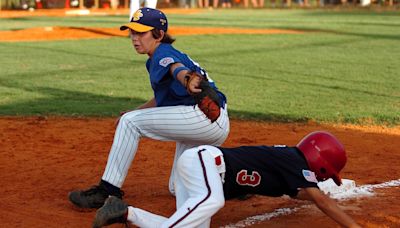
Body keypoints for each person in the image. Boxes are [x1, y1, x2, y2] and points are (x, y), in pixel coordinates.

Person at [68, 7, 230, 209]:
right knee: (178, 186)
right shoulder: (155, 58)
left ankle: (108, 190)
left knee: (130, 124)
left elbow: (175, 68)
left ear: (159, 34)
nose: (135, 38)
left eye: (141, 32)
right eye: (132, 32)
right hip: (208, 120)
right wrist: (136, 111)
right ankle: (232, 184)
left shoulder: (163, 51)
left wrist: (186, 78)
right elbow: (161, 98)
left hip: (203, 116)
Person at [92, 131, 361, 228]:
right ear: (321, 164)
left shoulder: (290, 167)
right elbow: (320, 201)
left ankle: (125, 213)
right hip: (205, 162)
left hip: (201, 169)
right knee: (213, 200)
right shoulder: (295, 162)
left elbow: (303, 194)